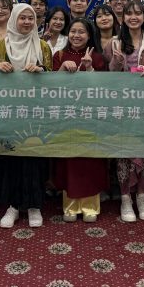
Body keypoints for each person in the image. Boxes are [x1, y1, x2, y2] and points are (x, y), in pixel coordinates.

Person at [0, 3, 53, 228]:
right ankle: (13, 206)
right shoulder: (1, 45)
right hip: (9, 113)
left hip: (35, 113)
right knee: (11, 160)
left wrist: (42, 71)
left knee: (34, 158)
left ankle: (35, 206)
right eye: (22, 18)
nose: (26, 22)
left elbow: (53, 79)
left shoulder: (42, 46)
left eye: (30, 18)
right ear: (14, 20)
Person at [103, 0, 144, 222]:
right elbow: (107, 76)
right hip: (122, 106)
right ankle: (125, 199)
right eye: (129, 13)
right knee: (124, 152)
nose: (133, 17)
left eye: (138, 13)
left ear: (143, 17)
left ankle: (141, 197)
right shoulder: (114, 43)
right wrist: (116, 62)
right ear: (123, 18)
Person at [53, 18, 109, 222]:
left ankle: (90, 206)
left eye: (81, 32)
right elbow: (51, 88)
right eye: (73, 31)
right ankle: (70, 206)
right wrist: (61, 69)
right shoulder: (59, 55)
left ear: (89, 35)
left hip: (90, 117)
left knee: (89, 160)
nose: (76, 35)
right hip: (66, 117)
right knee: (69, 161)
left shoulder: (98, 57)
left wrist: (90, 69)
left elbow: (104, 90)